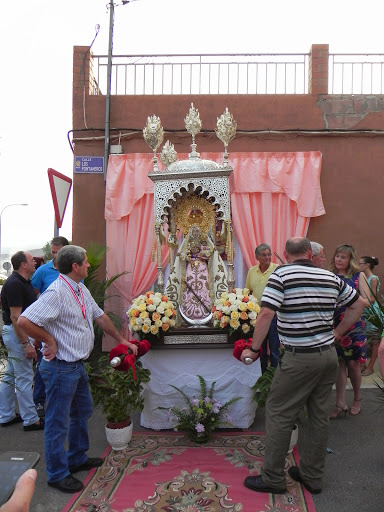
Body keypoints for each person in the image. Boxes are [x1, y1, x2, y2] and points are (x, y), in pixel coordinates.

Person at [240, 237, 366, 495]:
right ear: (310, 253)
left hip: (298, 358)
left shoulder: (281, 275)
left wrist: (254, 349)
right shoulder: (329, 278)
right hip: (327, 356)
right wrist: (337, 332)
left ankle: (273, 478)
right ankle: (312, 476)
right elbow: (360, 304)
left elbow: (266, 313)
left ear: (285, 254)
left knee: (279, 412)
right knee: (318, 416)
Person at [18, 245, 139, 494]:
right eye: (85, 262)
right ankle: (57, 473)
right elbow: (24, 320)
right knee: (57, 422)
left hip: (76, 366)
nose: (88, 265)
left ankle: (76, 458)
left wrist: (122, 340)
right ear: (75, 266)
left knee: (82, 412)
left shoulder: (79, 287)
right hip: (60, 368)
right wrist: (49, 341)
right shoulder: (57, 292)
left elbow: (100, 316)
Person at [0, 251, 44, 431]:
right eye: (31, 259)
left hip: (16, 335)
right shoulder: (14, 284)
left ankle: (6, 415)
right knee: (24, 377)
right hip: (19, 335)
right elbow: (15, 317)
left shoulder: (21, 282)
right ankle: (31, 419)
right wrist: (26, 344)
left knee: (10, 375)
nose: (35, 261)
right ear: (23, 265)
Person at [30, 236, 69, 417]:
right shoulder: (43, 271)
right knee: (43, 363)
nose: (54, 256)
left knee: (65, 363)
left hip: (67, 327)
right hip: (47, 327)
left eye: (58, 252)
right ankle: (39, 402)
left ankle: (61, 402)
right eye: (52, 252)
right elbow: (32, 298)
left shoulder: (72, 271)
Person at [330, 244, 370, 418]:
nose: (339, 259)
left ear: (350, 260)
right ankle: (340, 403)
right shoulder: (330, 275)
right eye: (337, 256)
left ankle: (357, 398)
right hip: (335, 325)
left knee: (353, 364)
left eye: (343, 257)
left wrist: (346, 301)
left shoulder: (358, 275)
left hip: (354, 325)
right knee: (338, 364)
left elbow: (368, 300)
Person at [166, 223, 227, 324]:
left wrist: (204, 254)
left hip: (202, 267)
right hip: (190, 268)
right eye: (193, 231)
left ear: (201, 232)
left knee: (204, 287)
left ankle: (205, 311)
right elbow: (181, 254)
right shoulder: (187, 243)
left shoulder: (204, 243)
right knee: (189, 288)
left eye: (197, 231)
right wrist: (186, 256)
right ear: (190, 232)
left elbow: (211, 252)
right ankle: (188, 311)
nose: (195, 233)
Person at [245, 243, 280, 373]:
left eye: (269, 254)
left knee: (275, 348)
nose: (267, 257)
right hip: (256, 317)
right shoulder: (251, 271)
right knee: (260, 349)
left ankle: (275, 378)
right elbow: (248, 291)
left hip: (273, 316)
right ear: (257, 257)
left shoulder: (277, 269)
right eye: (263, 255)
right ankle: (263, 378)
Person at [359, 256, 382, 376]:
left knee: (374, 340)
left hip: (372, 312)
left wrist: (360, 300)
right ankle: (362, 364)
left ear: (367, 265)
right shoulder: (362, 277)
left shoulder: (373, 279)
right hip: (364, 310)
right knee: (363, 338)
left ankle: (371, 366)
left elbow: (372, 299)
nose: (359, 265)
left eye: (360, 263)